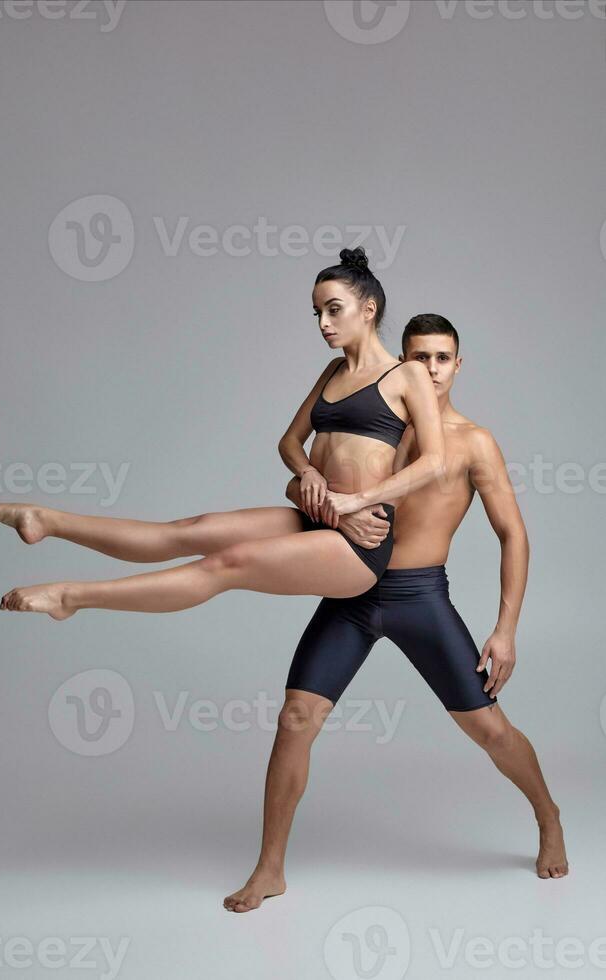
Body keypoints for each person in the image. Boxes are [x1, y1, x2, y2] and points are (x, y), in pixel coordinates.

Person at [222, 314, 568, 913]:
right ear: (400, 364)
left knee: (488, 728)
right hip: (351, 594)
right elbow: (306, 486)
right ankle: (270, 868)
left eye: (441, 358)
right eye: (418, 358)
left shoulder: (470, 442)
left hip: (418, 597)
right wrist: (304, 477)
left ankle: (548, 815)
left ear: (459, 365)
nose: (429, 369)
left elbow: (513, 534)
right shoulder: (373, 424)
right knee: (295, 718)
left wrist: (506, 629)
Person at [0, 247, 444, 613]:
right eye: (317, 312)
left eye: (333, 309)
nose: (322, 322)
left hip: (359, 543)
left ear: (369, 308)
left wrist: (355, 502)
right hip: (318, 514)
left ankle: (70, 598)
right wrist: (309, 475)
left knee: (225, 565)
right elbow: (288, 442)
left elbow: (433, 461)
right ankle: (47, 521)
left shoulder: (407, 375)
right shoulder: (331, 372)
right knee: (191, 529)